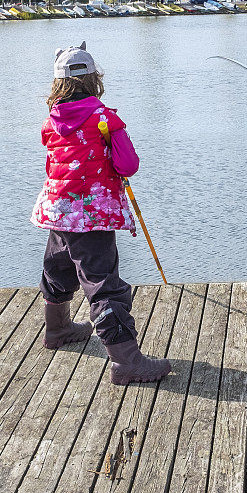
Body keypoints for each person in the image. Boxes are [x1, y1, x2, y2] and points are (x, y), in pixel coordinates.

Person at [31, 41, 171, 385]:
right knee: (104, 285)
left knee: (59, 267)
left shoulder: (51, 122)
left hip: (57, 209)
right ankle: (126, 361)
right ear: (95, 79)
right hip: (91, 215)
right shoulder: (106, 119)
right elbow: (128, 164)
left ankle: (58, 328)